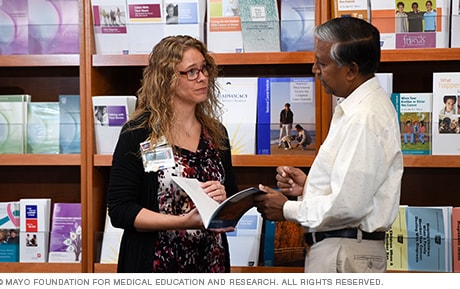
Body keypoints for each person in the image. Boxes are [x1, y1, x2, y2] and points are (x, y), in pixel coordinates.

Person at [254, 17, 403, 273]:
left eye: (322, 63)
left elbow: (348, 206)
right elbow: (354, 188)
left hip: (344, 254)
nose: (315, 69)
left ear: (351, 70)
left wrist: (287, 208)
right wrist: (309, 187)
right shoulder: (357, 107)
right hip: (342, 251)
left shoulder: (363, 117)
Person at [107, 35, 238, 273]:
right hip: (156, 263)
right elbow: (120, 210)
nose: (203, 77)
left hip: (210, 262)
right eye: (191, 72)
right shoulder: (139, 133)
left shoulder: (216, 134)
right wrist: (181, 222)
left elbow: (231, 199)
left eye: (204, 68)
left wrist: (224, 198)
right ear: (166, 78)